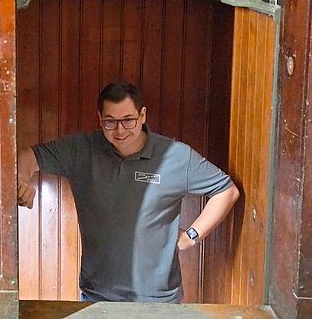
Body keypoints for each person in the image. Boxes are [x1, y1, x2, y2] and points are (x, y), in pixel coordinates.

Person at [17, 80, 240, 303]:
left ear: (142, 116)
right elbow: (27, 158)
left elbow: (226, 191)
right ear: (100, 118)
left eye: (128, 120)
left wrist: (192, 236)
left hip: (159, 300)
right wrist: (22, 180)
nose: (120, 130)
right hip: (97, 295)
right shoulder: (81, 150)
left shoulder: (176, 155)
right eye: (110, 122)